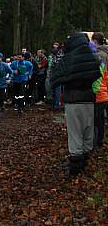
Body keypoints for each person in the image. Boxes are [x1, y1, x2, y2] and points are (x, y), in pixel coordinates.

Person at [51, 32, 100, 176]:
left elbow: (55, 77)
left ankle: (75, 165)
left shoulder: (69, 58)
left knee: (75, 132)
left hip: (73, 99)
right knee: (87, 129)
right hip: (90, 99)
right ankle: (85, 160)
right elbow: (98, 74)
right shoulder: (92, 57)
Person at [91, 32, 108, 149]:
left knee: (97, 119)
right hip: (105, 89)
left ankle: (98, 141)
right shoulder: (104, 53)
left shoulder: (99, 55)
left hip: (100, 90)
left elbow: (100, 74)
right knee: (101, 118)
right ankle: (100, 140)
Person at [47, 42, 64, 110]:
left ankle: (57, 105)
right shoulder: (51, 57)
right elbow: (50, 65)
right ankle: (54, 104)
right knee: (54, 90)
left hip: (58, 75)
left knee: (57, 90)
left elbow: (55, 65)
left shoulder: (60, 57)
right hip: (53, 74)